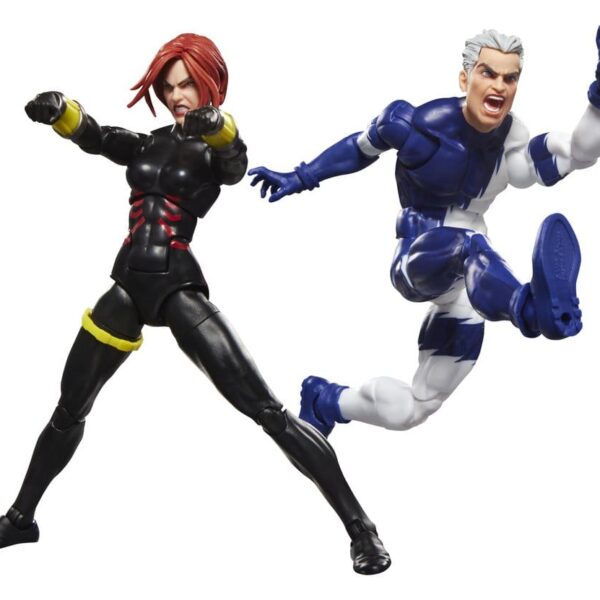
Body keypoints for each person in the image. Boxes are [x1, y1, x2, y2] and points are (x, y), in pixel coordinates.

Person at [0, 33, 391, 575]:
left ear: (209, 83)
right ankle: (21, 519)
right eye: (168, 86)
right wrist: (61, 111)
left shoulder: (212, 147)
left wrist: (220, 126)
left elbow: (233, 161)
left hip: (177, 286)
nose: (176, 95)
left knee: (268, 412)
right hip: (127, 284)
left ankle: (361, 529)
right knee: (69, 409)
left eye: (187, 84)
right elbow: (99, 136)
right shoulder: (149, 143)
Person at [249, 28, 600, 436]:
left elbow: (578, 152)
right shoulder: (416, 125)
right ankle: (529, 309)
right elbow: (360, 148)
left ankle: (326, 402)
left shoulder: (511, 141)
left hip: (474, 283)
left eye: (510, 78)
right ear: (465, 78)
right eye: (488, 73)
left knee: (415, 408)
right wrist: (301, 176)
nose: (500, 87)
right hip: (420, 255)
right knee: (469, 247)